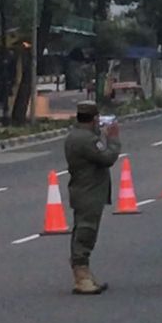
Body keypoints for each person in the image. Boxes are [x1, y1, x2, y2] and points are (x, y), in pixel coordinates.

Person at [63, 101, 121, 295]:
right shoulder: (86, 139)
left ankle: (84, 274)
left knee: (84, 229)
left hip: (84, 189)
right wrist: (113, 140)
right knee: (86, 231)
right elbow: (107, 158)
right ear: (94, 118)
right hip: (88, 191)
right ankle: (81, 275)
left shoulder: (77, 135)